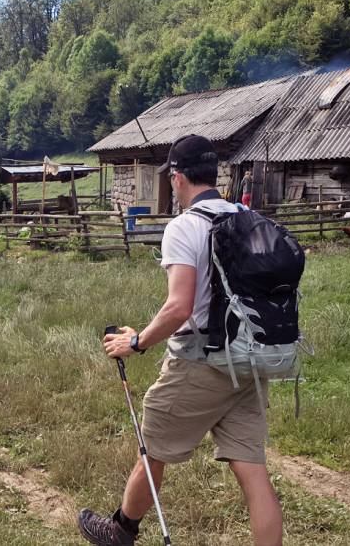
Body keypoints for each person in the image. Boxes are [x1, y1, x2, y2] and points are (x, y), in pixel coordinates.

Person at [77, 136, 283, 546]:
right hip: (252, 357)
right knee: (252, 470)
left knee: (153, 446)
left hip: (201, 360)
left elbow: (178, 308)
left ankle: (121, 530)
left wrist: (138, 343)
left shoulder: (185, 226)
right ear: (213, 173)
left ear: (177, 176)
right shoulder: (248, 218)